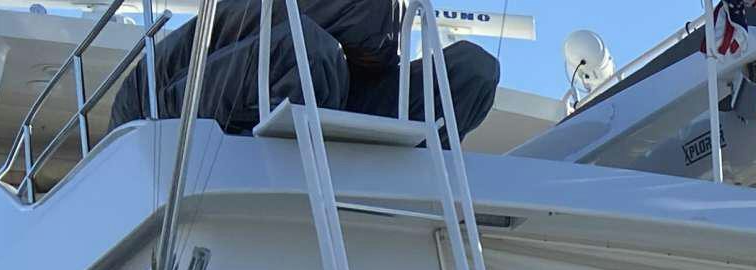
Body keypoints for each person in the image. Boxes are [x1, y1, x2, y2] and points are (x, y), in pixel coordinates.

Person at [113, 0, 500, 142]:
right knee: (311, 53)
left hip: (321, 80)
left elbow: (377, 56)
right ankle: (279, 159)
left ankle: (411, 175)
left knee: (472, 71)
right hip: (154, 112)